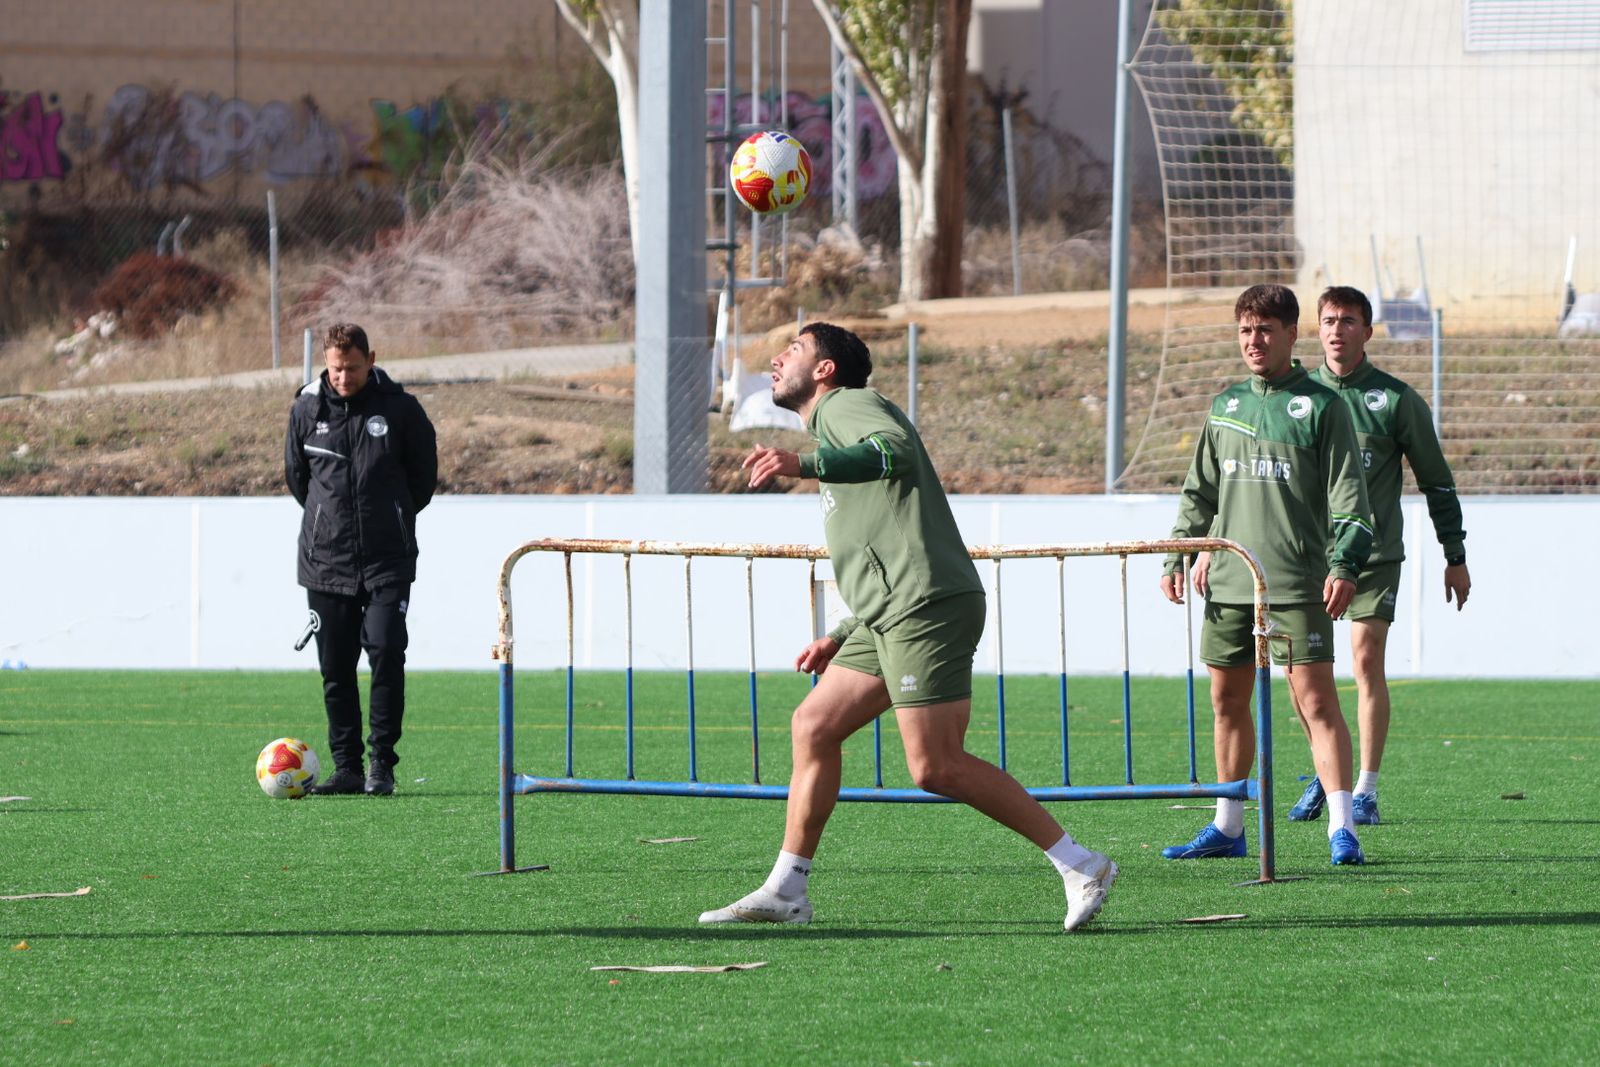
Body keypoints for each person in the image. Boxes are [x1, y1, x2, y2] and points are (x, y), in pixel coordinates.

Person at [700, 322, 1117, 931]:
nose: (775, 358)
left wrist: (803, 463)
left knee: (935, 766)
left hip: (924, 606)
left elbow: (892, 450)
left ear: (824, 370)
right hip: (887, 614)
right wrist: (842, 634)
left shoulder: (847, 404)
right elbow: (885, 543)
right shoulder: (833, 425)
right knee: (814, 725)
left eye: (792, 350)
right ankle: (787, 889)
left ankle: (1082, 864)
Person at [1159, 285, 1375, 866]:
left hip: (1298, 584)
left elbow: (1351, 499)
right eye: (1245, 331)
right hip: (1229, 583)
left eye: (1265, 331)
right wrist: (1178, 554)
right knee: (1226, 701)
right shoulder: (1225, 406)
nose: (1254, 342)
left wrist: (1345, 563)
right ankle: (1228, 827)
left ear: (1290, 334)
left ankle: (1342, 827)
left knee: (1316, 702)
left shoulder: (1323, 407)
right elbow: (1198, 492)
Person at [285, 323, 437, 796]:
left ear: (371, 359)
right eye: (335, 369)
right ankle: (347, 767)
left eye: (351, 368)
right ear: (325, 365)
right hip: (325, 561)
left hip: (387, 559)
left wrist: (389, 517)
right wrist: (328, 524)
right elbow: (297, 480)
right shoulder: (306, 409)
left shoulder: (402, 410)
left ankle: (381, 767)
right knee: (335, 666)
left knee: (387, 649)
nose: (343, 378)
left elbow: (422, 481)